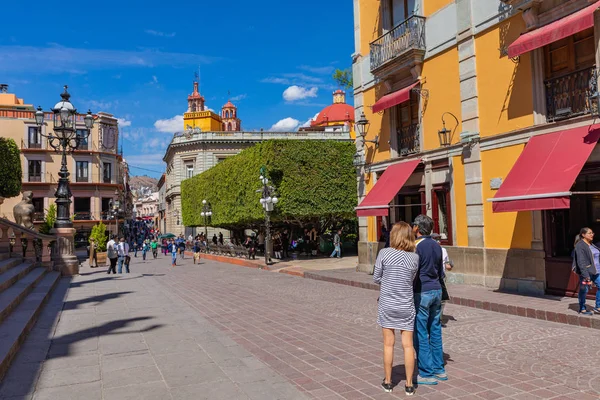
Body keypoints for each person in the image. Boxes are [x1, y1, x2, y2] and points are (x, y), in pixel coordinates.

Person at [373, 222, 418, 395]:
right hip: (406, 304)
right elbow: (412, 278)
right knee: (408, 345)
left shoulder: (384, 253)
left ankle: (388, 381)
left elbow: (376, 277)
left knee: (388, 344)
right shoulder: (414, 257)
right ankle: (408, 384)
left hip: (387, 303)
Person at [412, 215, 446, 385]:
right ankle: (439, 368)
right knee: (435, 329)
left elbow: (414, 272)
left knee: (420, 332)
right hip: (436, 289)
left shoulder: (416, 246)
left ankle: (426, 372)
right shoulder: (437, 245)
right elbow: (441, 271)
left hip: (422, 290)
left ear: (417, 228)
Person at [573, 227, 600, 315]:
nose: (592, 234)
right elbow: (581, 262)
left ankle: (598, 307)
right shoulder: (580, 246)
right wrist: (585, 275)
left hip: (597, 271)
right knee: (584, 290)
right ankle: (582, 308)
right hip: (587, 272)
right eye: (589, 233)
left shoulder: (592, 245)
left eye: (592, 233)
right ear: (583, 235)